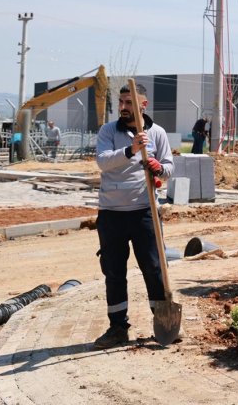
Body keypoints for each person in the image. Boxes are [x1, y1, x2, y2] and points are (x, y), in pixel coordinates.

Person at [93, 83, 173, 349]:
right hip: (112, 214)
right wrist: (131, 150)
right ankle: (118, 327)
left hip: (144, 212)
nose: (124, 107)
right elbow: (103, 162)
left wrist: (158, 167)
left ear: (143, 105)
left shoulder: (157, 133)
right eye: (122, 102)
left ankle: (164, 321)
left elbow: (169, 168)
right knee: (114, 272)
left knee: (154, 268)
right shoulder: (108, 131)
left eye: (129, 103)